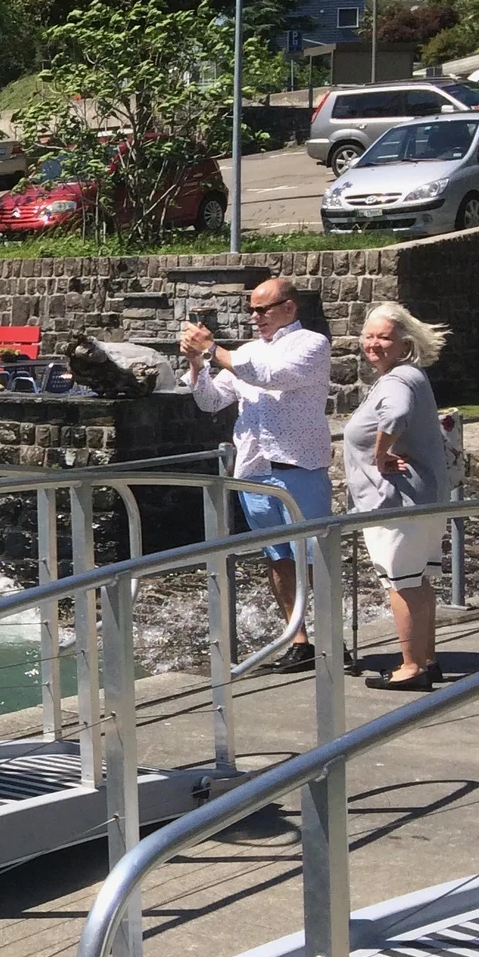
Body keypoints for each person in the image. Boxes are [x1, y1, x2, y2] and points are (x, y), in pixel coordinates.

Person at [181, 277, 333, 672]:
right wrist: (197, 363)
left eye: (262, 309)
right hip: (255, 472)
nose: (254, 317)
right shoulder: (245, 352)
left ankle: (331, 637)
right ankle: (299, 640)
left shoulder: (311, 344)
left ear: (289, 308)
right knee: (278, 557)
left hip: (299, 467)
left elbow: (271, 375)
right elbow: (211, 401)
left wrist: (212, 349)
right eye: (251, 310)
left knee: (315, 556)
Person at [344, 301, 453, 691]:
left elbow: (395, 414)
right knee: (418, 581)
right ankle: (427, 660)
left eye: (384, 338)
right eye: (369, 336)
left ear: (405, 343)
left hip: (397, 501)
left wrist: (380, 454)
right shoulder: (410, 375)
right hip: (422, 498)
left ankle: (411, 667)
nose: (373, 344)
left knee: (402, 584)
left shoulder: (397, 381)